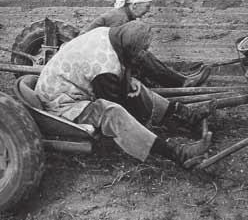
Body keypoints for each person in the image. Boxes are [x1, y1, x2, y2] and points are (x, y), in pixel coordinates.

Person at [35, 21, 215, 168]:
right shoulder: (105, 66)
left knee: (135, 87)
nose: (141, 55)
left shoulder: (107, 34)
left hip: (66, 86)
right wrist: (128, 87)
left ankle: (185, 115)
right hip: (59, 103)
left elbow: (121, 70)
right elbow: (115, 101)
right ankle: (176, 152)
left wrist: (129, 81)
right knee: (113, 113)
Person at [79, 0, 211, 88]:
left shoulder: (123, 15)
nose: (148, 11)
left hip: (96, 56)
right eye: (147, 6)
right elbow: (118, 52)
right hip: (90, 60)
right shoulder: (119, 18)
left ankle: (181, 79)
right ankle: (180, 82)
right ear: (135, 5)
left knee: (143, 55)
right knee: (142, 56)